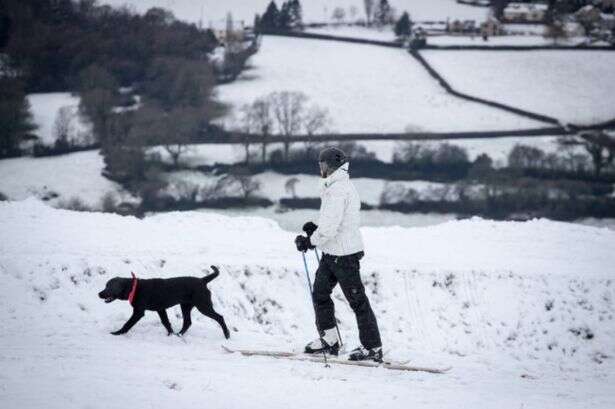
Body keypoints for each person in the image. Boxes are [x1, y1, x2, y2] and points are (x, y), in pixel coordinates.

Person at [295, 147, 383, 362]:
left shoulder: (338, 190)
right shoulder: (335, 186)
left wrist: (310, 240)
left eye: (321, 164)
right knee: (320, 294)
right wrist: (315, 230)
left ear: (329, 165)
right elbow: (332, 223)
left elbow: (330, 227)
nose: (319, 168)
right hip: (332, 253)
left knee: (357, 302)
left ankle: (373, 348)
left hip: (345, 255)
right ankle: (330, 340)